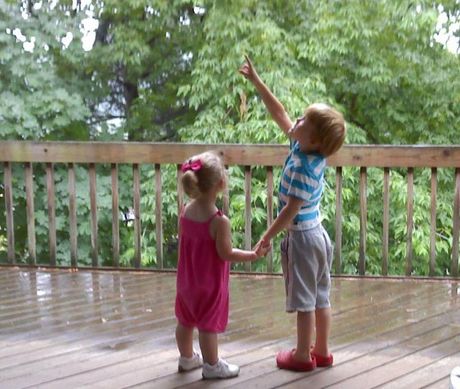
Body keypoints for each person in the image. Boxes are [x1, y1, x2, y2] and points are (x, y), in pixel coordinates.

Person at [239, 55, 346, 372]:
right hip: (319, 236)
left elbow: (289, 211)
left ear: (312, 138)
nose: (295, 122)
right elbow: (280, 113)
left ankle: (302, 355)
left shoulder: (301, 165)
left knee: (304, 301)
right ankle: (322, 351)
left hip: (302, 239)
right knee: (321, 296)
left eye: (302, 122)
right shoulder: (309, 151)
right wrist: (258, 83)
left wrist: (266, 237)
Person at [175, 151, 270, 379]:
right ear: (221, 184)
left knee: (185, 320)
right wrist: (253, 255)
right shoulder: (219, 221)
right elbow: (226, 254)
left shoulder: (186, 211)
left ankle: (187, 358)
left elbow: (183, 244)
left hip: (186, 280)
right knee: (208, 325)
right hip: (209, 284)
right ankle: (211, 366)